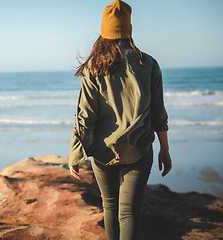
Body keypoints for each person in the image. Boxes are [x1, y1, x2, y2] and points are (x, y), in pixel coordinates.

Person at [68, 0, 172, 239]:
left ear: (104, 31)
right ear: (129, 29)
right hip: (139, 150)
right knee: (129, 213)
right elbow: (159, 114)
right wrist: (165, 150)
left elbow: (85, 117)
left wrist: (75, 153)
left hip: (103, 153)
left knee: (111, 208)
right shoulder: (149, 64)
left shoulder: (93, 67)